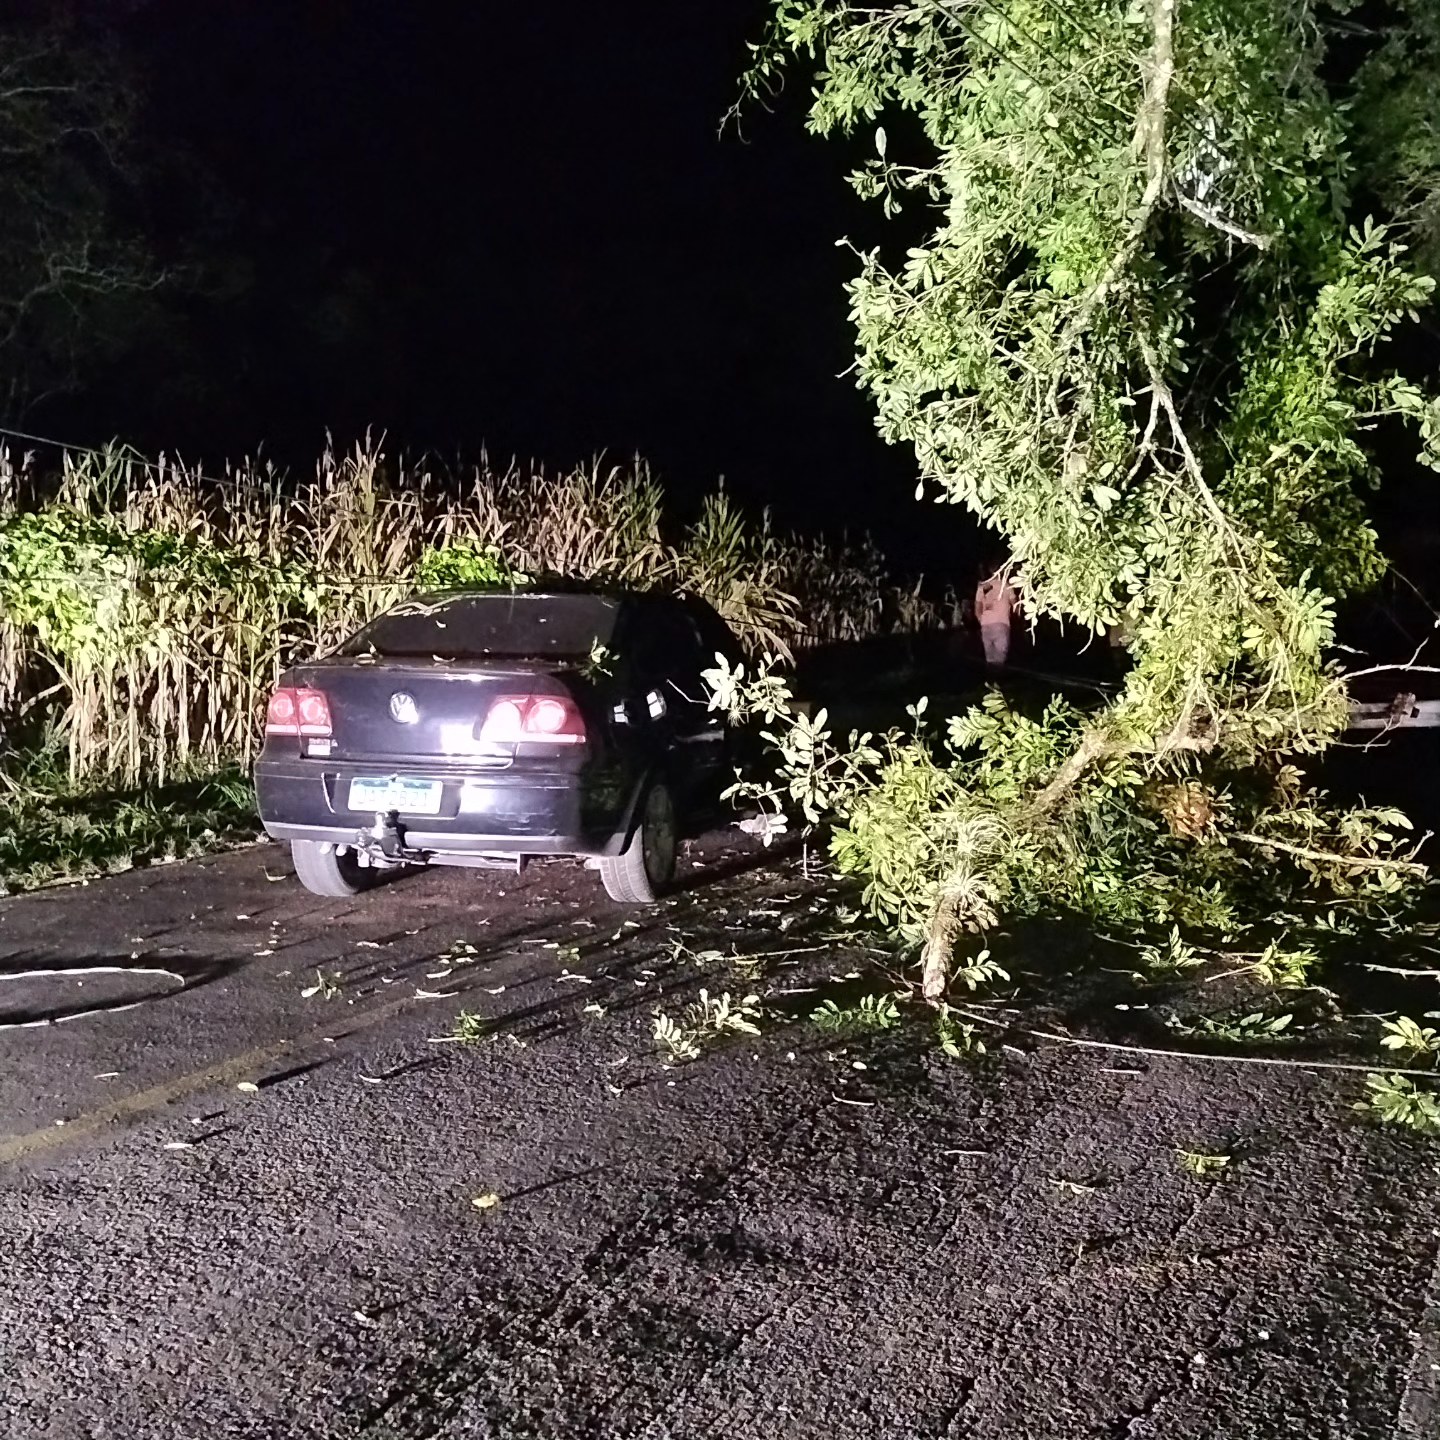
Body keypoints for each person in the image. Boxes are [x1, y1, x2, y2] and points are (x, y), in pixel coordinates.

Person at [975, 558, 1016, 669]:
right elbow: (1015, 604)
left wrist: (981, 619)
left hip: (986, 624)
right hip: (1001, 623)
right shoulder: (1006, 586)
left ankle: (990, 680)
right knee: (1000, 657)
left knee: (989, 657)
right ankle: (996, 681)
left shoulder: (982, 586)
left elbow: (977, 606)